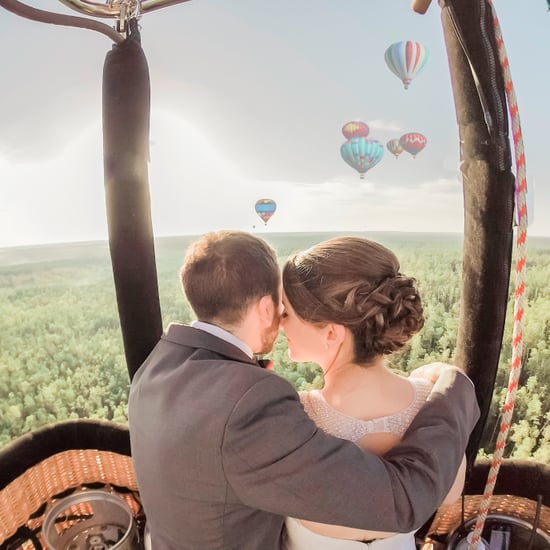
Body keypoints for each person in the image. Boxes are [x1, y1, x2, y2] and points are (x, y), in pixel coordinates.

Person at [128, 230, 479, 550]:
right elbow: (407, 500)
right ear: (266, 308)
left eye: (289, 312)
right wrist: (454, 387)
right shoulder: (254, 407)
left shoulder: (157, 367)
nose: (282, 321)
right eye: (282, 310)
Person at [280, 236, 467, 549]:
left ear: (330, 332)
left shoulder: (294, 417)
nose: (280, 323)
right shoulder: (434, 406)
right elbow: (450, 496)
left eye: (287, 313)